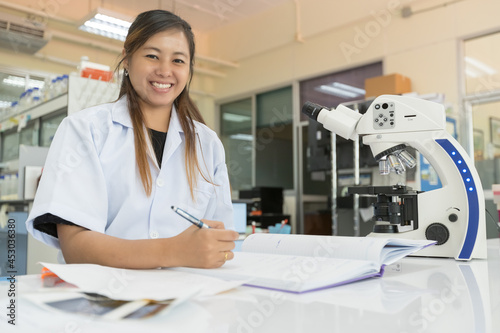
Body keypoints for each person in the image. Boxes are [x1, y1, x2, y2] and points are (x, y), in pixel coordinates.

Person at [25, 10, 238, 269]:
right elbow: (75, 247)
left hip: (185, 297)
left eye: (178, 61)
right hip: (102, 299)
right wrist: (172, 251)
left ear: (189, 69)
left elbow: (220, 237)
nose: (165, 70)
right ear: (127, 59)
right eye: (152, 56)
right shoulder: (85, 130)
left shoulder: (208, 144)